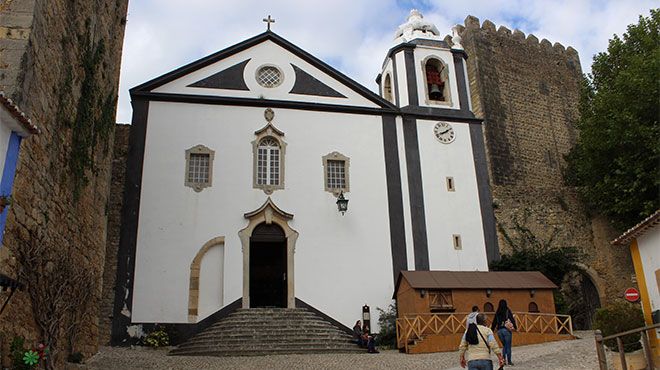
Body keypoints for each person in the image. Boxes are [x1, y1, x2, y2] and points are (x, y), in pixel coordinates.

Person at [491, 299, 517, 366]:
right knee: (508, 346)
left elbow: (494, 322)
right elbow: (512, 319)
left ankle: (504, 361)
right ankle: (509, 361)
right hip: (506, 330)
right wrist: (515, 327)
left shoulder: (497, 312)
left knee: (504, 346)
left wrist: (492, 330)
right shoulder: (507, 310)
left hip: (499, 331)